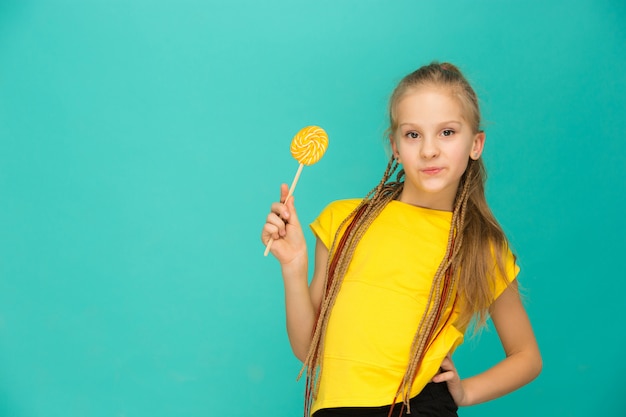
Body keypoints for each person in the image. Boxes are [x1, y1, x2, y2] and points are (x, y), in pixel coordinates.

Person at [261, 62, 542, 417]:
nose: (429, 150)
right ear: (395, 146)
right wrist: (293, 266)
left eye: (447, 132)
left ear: (476, 143)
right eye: (413, 135)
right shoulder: (344, 221)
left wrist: (466, 392)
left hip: (418, 407)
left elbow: (527, 356)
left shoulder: (478, 246)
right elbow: (308, 350)